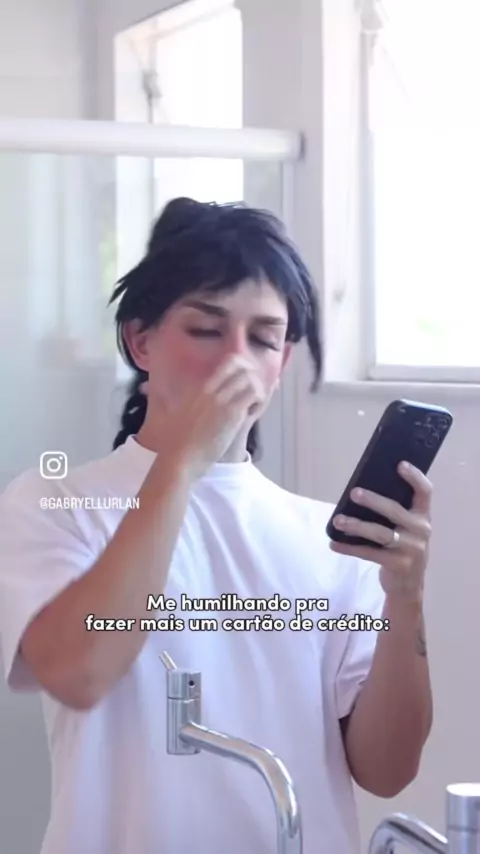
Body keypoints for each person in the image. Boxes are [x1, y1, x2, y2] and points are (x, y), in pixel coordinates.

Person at [0, 198, 433, 854]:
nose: (236, 358)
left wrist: (405, 598)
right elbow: (79, 671)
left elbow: (388, 770)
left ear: (282, 364)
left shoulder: (327, 538)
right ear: (140, 341)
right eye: (206, 329)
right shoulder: (56, 502)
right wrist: (180, 462)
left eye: (263, 339)